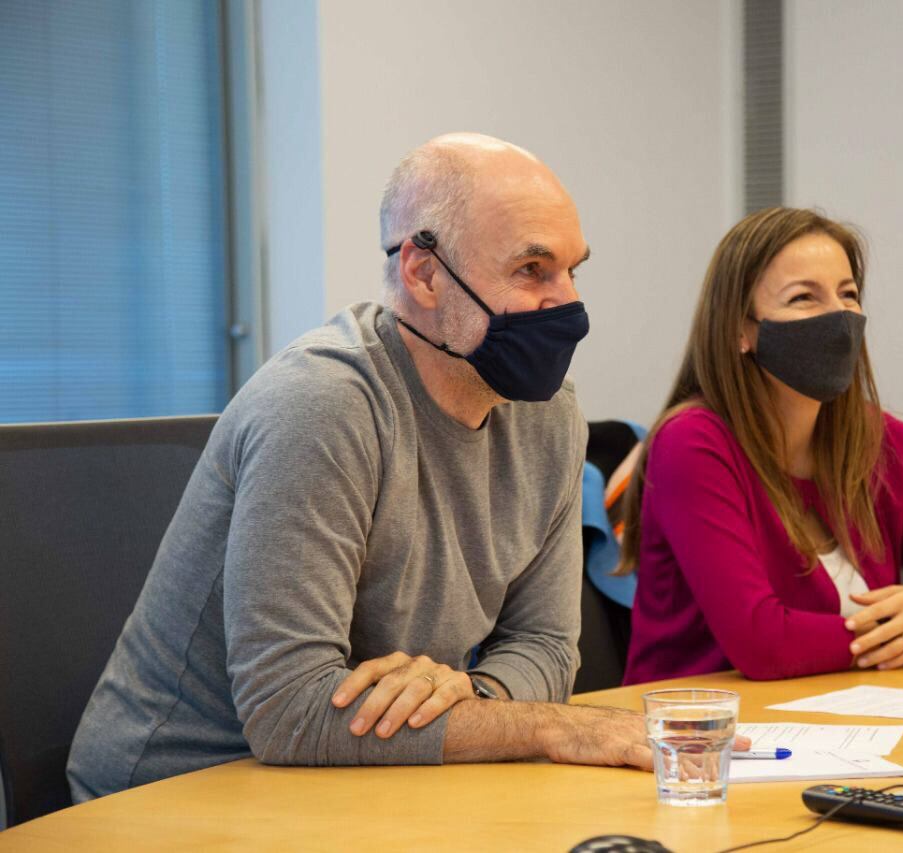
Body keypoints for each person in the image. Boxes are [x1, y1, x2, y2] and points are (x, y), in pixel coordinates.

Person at [68, 133, 663, 801]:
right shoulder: (323, 405)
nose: (568, 305)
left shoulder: (548, 413)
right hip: (174, 791)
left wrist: (471, 693)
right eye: (532, 270)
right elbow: (288, 710)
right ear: (424, 273)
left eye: (572, 271)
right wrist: (545, 728)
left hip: (359, 775)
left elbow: (548, 646)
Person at [620, 207, 903, 684]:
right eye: (804, 298)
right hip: (698, 741)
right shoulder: (692, 443)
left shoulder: (885, 442)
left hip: (851, 724)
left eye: (848, 294)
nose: (838, 316)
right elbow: (764, 644)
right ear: (741, 331)